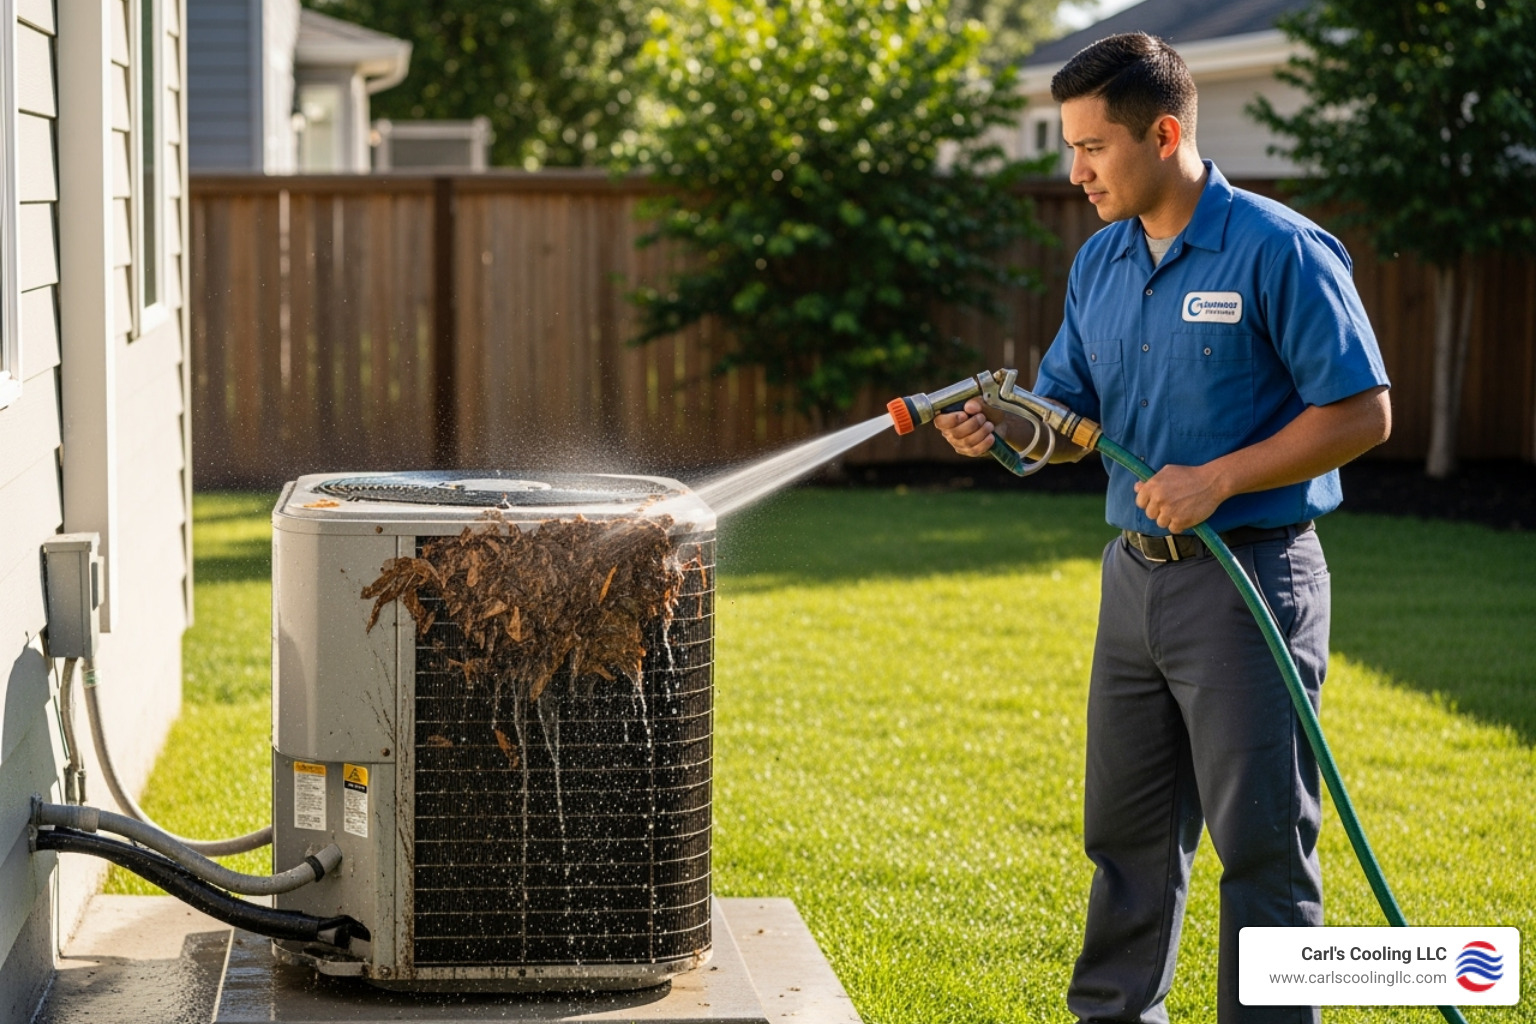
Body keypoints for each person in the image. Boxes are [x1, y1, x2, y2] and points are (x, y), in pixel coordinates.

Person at [934, 32, 1391, 1024]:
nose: (1075, 171)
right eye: (1069, 146)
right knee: (1127, 838)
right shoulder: (1099, 262)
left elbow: (1362, 412)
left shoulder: (1281, 249)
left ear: (1167, 132)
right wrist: (1002, 430)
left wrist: (1219, 478)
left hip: (1250, 583)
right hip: (1133, 584)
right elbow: (1065, 414)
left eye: (1094, 147)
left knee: (1262, 845)